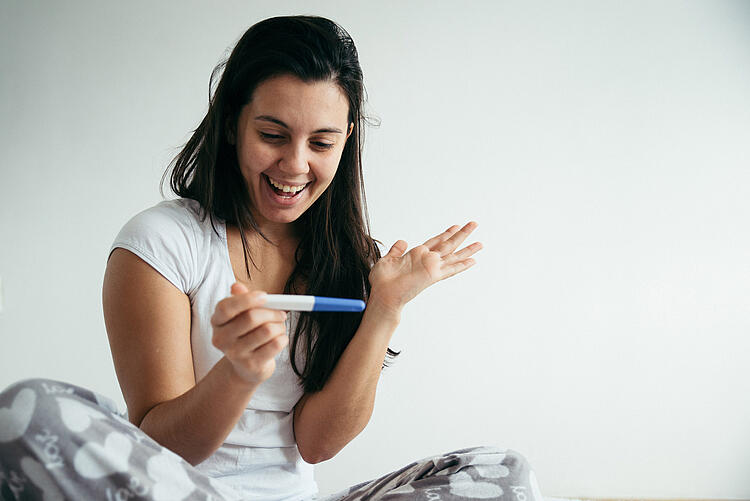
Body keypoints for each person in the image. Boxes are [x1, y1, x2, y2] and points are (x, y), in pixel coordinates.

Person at [0, 15, 543, 501]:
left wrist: (384, 309)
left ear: (347, 141)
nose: (295, 165)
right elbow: (159, 447)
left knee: (504, 473)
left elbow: (316, 444)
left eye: (322, 143)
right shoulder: (160, 243)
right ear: (234, 122)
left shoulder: (350, 260)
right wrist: (238, 373)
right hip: (173, 489)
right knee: (27, 412)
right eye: (272, 134)